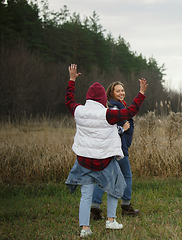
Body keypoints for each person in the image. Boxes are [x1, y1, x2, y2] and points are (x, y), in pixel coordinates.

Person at [65, 64, 148, 238]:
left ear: (88, 98)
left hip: (84, 161)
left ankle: (85, 229)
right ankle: (111, 220)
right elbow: (131, 111)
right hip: (104, 161)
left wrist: (72, 80)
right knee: (115, 187)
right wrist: (141, 93)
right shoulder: (108, 114)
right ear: (104, 98)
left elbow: (69, 100)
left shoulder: (79, 111)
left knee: (85, 195)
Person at [90, 81, 140, 220]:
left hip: (110, 148)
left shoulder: (112, 105)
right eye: (117, 91)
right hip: (117, 148)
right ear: (111, 93)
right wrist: (122, 129)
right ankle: (126, 206)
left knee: (104, 177)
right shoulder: (114, 107)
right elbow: (110, 128)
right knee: (127, 176)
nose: (121, 93)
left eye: (122, 90)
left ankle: (95, 207)